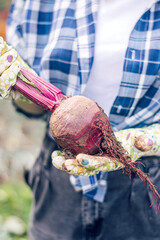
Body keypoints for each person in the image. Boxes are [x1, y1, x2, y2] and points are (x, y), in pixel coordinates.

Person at [1, 0, 160, 239]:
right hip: (58, 181)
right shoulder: (34, 4)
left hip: (146, 184)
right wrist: (20, 88)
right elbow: (31, 110)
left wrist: (145, 140)